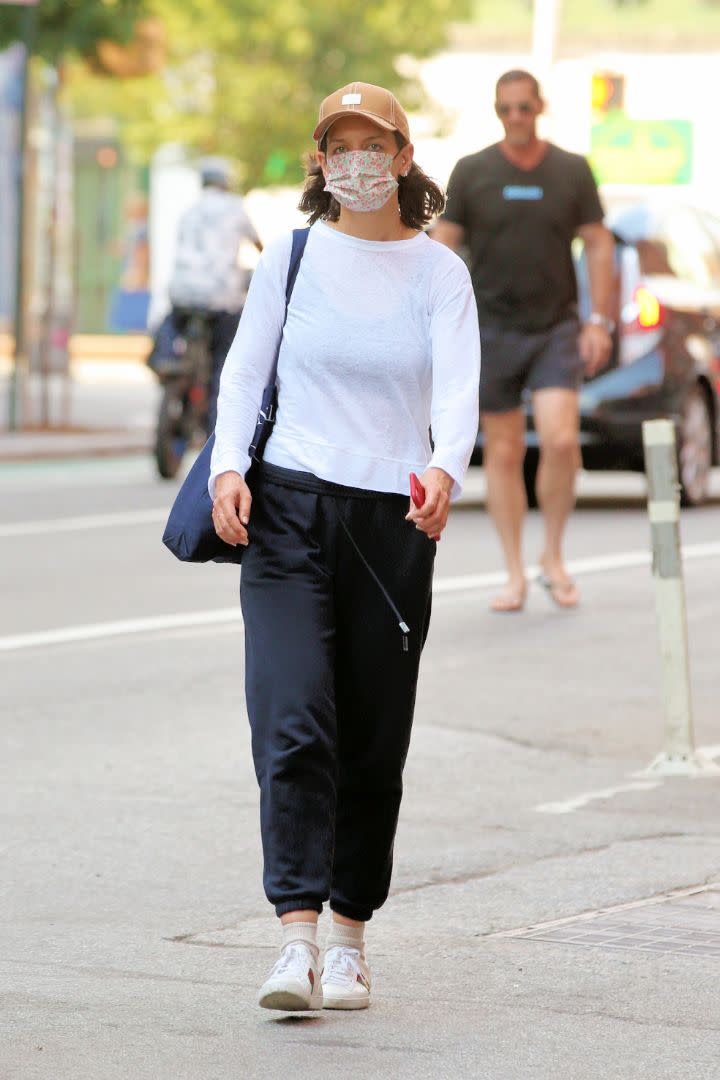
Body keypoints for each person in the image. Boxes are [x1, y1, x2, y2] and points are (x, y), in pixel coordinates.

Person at [209, 82, 480, 1012]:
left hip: (393, 520)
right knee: (292, 720)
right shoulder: (289, 259)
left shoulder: (439, 273)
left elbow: (457, 387)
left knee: (371, 737)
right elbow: (245, 371)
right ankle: (294, 938)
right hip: (286, 507)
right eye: (340, 146)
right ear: (319, 162)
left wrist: (447, 466)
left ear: (405, 159)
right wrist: (227, 469)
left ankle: (352, 937)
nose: (357, 161)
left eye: (376, 144)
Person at [433, 69, 615, 611]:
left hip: (555, 326)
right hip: (490, 328)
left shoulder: (572, 171)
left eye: (524, 108)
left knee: (560, 440)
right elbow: (442, 247)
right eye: (506, 109)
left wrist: (597, 321)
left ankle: (553, 558)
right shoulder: (472, 171)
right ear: (496, 111)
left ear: (540, 108)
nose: (516, 118)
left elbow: (599, 244)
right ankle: (514, 572)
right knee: (506, 453)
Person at [168, 158, 262, 431]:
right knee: (226, 356)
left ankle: (168, 359)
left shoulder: (189, 211)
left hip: (182, 294)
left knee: (171, 327)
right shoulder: (236, 209)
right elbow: (259, 247)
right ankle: (215, 423)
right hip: (221, 296)